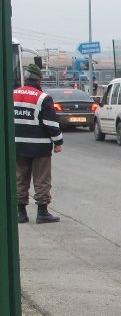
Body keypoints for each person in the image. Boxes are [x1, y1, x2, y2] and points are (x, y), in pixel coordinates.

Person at [13, 63, 63, 224]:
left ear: (25, 78)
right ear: (39, 79)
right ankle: (42, 212)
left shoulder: (12, 94)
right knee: (41, 179)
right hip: (39, 147)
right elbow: (51, 124)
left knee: (20, 178)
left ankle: (21, 213)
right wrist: (58, 142)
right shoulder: (43, 97)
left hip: (17, 145)